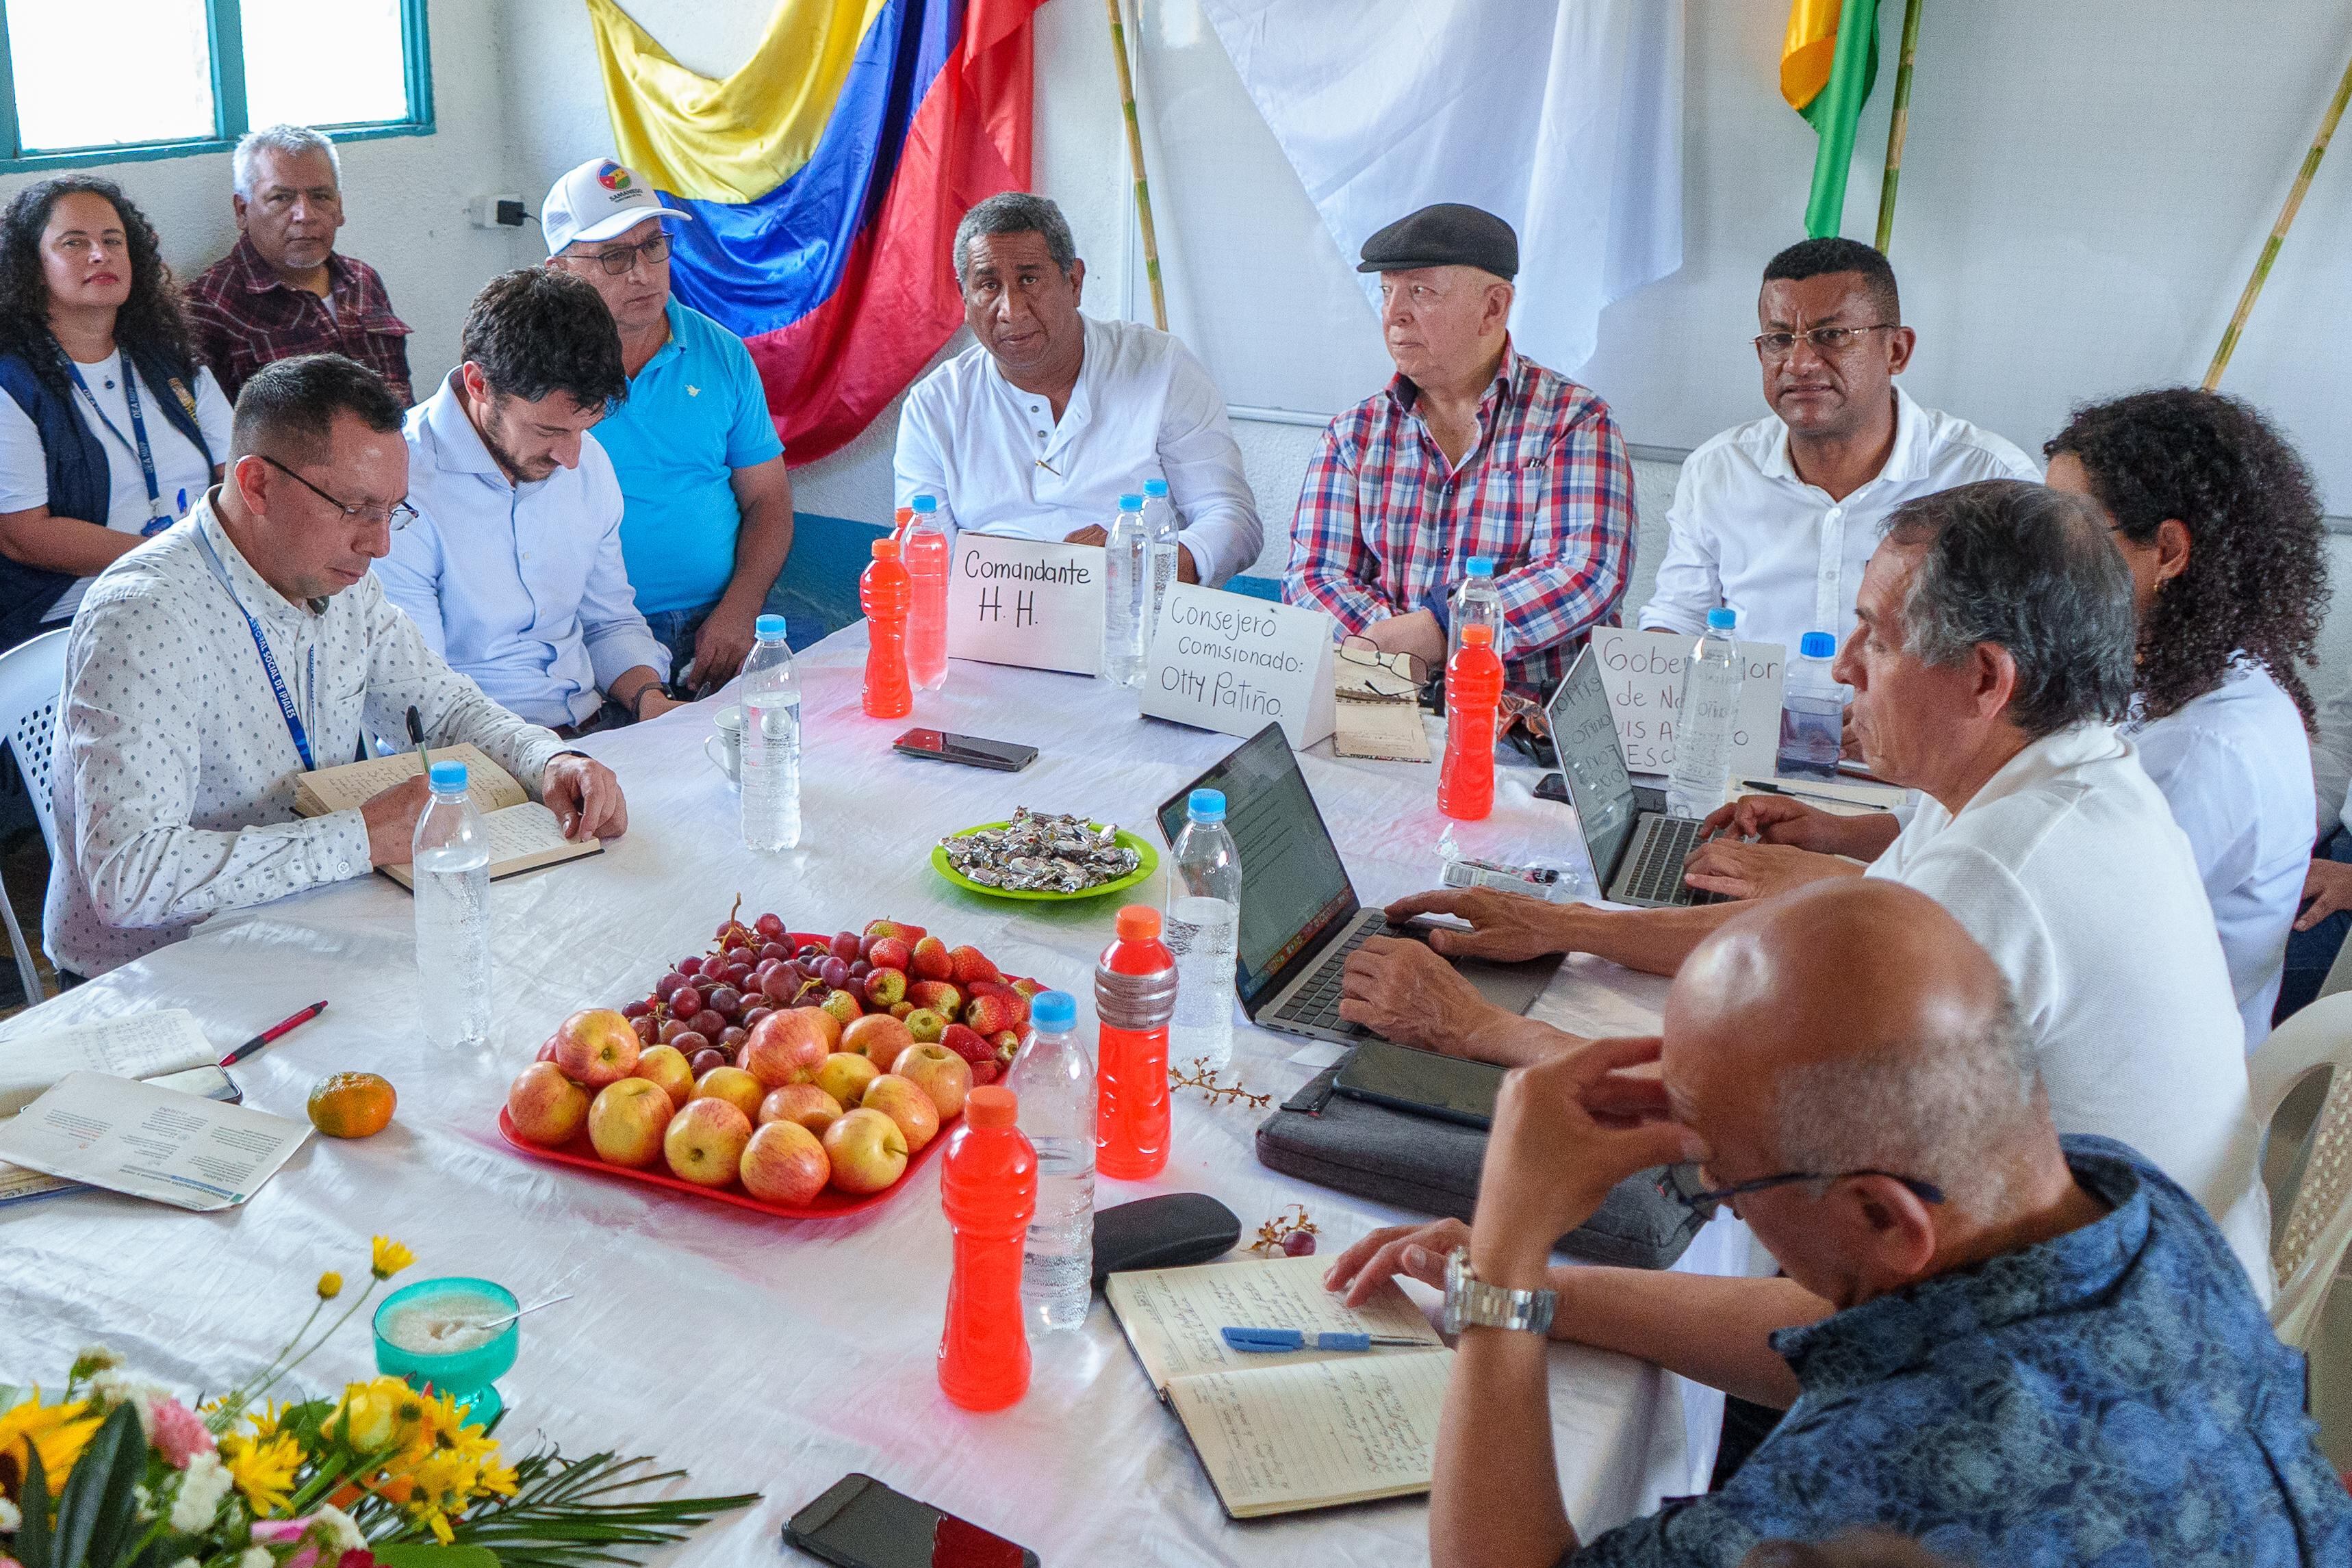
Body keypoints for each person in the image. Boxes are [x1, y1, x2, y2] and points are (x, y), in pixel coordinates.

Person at [1338, 480, 2272, 1291]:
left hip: (2072, 1357)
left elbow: (1744, 1122)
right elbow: (1802, 935)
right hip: (2098, 1280)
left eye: (1878, 635)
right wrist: (1566, 923)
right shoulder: (2043, 769)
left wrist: (1478, 1030)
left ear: (1986, 676)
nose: (1842, 666)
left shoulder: (1997, 872)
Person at [1325, 880, 2350, 1567]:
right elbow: (1861, 1343)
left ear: (1881, 1213)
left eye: (1719, 1182)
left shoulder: (1860, 1496)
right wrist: (1562, 1294)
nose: (1723, 1201)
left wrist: (1507, 1254)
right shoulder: (2121, 1203)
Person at [44, 355, 625, 979]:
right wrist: (363, 837)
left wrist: (549, 761)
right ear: (257, 484)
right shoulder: (145, 616)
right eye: (356, 509)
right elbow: (128, 877)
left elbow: (444, 707)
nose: (381, 544)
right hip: (162, 975)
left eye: (393, 511)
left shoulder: (338, 579)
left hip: (308, 919)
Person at [2043, 389, 2323, 1047]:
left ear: (2167, 551)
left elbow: (2039, 930)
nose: (2044, 557)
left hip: (2121, 1110)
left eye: (2069, 529)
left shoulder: (2204, 748)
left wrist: (1837, 883)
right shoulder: (2180, 674)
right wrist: (1850, 837)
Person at [1283, 203, 1634, 693]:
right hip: (1380, 707)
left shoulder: (1573, 422)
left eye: (1421, 292)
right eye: (1387, 292)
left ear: (1493, 307)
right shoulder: (1353, 434)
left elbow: (1584, 573)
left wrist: (1442, 627)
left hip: (1525, 732)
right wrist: (1388, 649)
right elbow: (1314, 576)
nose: (1393, 315)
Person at [1637, 237, 2036, 659]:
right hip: (1751, 722)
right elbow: (1681, 618)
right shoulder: (1718, 470)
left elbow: (2029, 649)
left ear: (1896, 351)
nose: (1799, 363)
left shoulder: (1990, 480)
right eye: (1779, 339)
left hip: (1911, 726)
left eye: (1831, 335)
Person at [893, 192, 1262, 589]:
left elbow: (1232, 517)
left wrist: (1149, 564)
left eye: (1029, 279)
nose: (1011, 310)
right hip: (991, 628)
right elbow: (926, 560)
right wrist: (1023, 581)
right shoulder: (935, 406)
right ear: (964, 297)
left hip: (1132, 617)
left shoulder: (1160, 367)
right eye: (988, 285)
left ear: (1074, 282)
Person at [378, 268, 677, 734]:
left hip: (597, 728)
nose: (572, 458)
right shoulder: (398, 481)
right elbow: (419, 694)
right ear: (479, 385)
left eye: (584, 429)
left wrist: (647, 699)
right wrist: (547, 764)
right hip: (476, 757)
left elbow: (608, 622)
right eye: (549, 431)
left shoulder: (586, 461)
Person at [541, 157, 793, 692]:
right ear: (558, 271)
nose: (641, 272)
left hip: (718, 622)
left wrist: (740, 610)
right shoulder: (533, 370)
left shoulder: (721, 352)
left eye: (653, 245)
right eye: (613, 256)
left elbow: (768, 499)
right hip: (580, 637)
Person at [0, 176, 230, 650]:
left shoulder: (174, 365)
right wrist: (171, 560)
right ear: (33, 266)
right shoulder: (13, 383)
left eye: (112, 241)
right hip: (71, 620)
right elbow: (23, 535)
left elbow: (241, 480)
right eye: (74, 243)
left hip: (200, 596)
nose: (100, 254)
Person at [183, 125, 414, 406]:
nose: (304, 215)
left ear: (339, 208)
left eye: (321, 196)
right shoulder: (207, 305)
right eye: (281, 197)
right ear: (242, 211)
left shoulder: (363, 280)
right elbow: (214, 434)